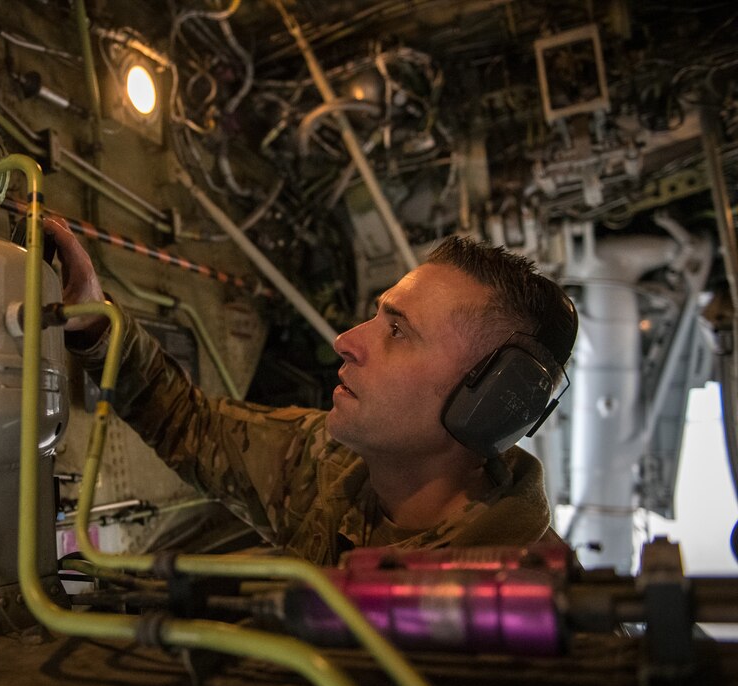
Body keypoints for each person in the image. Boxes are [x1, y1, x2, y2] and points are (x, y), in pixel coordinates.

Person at [47, 216, 578, 565]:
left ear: (483, 405)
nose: (346, 342)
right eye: (377, 316)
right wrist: (96, 322)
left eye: (398, 330)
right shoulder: (330, 468)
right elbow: (192, 425)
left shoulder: (547, 614)